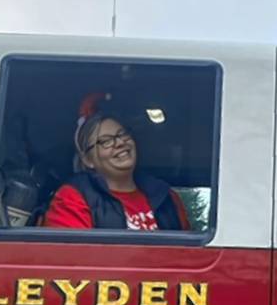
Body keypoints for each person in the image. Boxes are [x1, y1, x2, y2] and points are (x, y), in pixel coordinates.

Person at [44, 93, 190, 231]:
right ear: (88, 160)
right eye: (105, 141)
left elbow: (190, 254)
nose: (120, 143)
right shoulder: (72, 198)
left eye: (123, 134)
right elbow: (71, 255)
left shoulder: (167, 197)